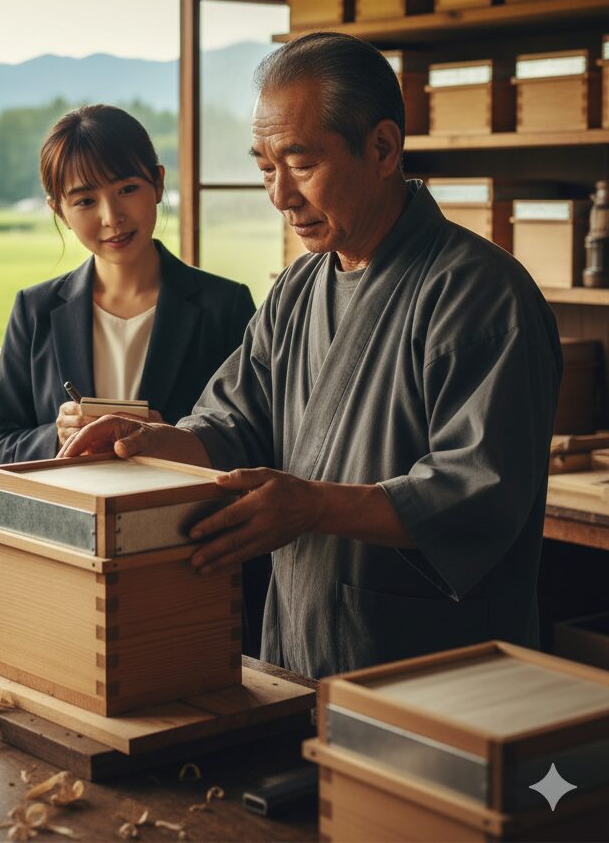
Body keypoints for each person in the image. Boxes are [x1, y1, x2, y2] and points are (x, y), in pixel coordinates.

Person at [62, 33, 563, 679]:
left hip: (437, 665)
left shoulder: (481, 294)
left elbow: (477, 493)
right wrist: (148, 442)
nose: (280, 196)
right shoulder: (298, 288)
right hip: (299, 645)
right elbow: (232, 424)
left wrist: (314, 506)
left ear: (383, 149)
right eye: (266, 168)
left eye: (300, 163)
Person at [0, 104, 256, 465]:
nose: (112, 217)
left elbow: (255, 437)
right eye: (85, 201)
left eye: (127, 189)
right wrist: (58, 435)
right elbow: (0, 444)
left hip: (181, 516)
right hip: (73, 517)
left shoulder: (225, 306)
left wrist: (174, 439)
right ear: (59, 211)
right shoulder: (35, 310)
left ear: (158, 183)